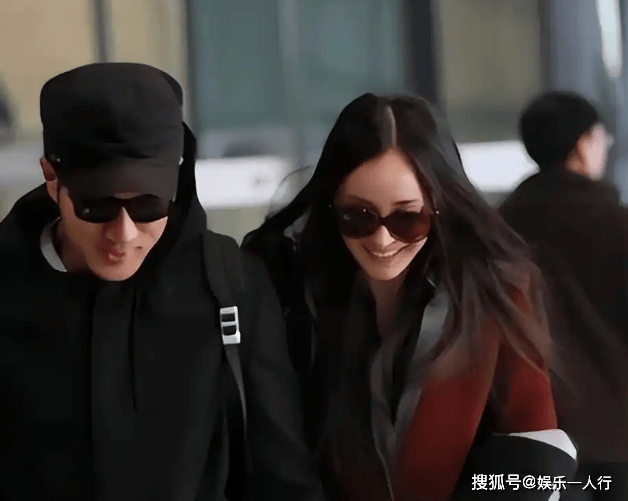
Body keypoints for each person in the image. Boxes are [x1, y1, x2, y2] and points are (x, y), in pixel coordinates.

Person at [0, 63, 325, 501]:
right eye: (97, 207)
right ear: (52, 178)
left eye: (148, 205)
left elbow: (283, 481)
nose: (123, 234)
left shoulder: (229, 286)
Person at [242, 93, 578, 501]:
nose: (382, 240)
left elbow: (535, 450)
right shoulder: (287, 285)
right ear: (331, 207)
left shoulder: (493, 288)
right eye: (357, 216)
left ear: (440, 206)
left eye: (407, 218)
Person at [500, 91, 628, 500]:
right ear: (582, 144)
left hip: (535, 430)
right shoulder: (617, 224)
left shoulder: (499, 228)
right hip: (618, 433)